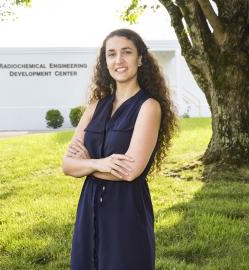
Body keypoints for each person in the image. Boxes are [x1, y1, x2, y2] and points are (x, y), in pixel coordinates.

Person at [62, 28, 179, 270]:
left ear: (140, 58)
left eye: (126, 52)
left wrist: (85, 166)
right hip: (89, 206)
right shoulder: (95, 106)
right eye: (111, 54)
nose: (119, 60)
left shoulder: (148, 107)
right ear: (105, 62)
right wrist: (99, 164)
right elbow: (67, 165)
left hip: (126, 210)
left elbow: (129, 171)